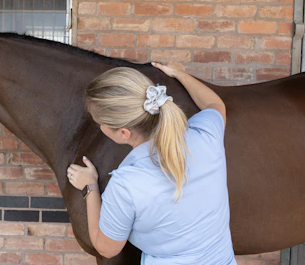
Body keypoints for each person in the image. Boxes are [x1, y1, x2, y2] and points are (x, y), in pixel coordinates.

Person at [67, 62, 236, 265]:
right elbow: (215, 105)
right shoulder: (205, 136)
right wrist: (181, 74)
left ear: (123, 133)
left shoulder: (125, 185)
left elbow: (106, 248)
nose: (99, 126)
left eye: (99, 122)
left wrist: (90, 187)